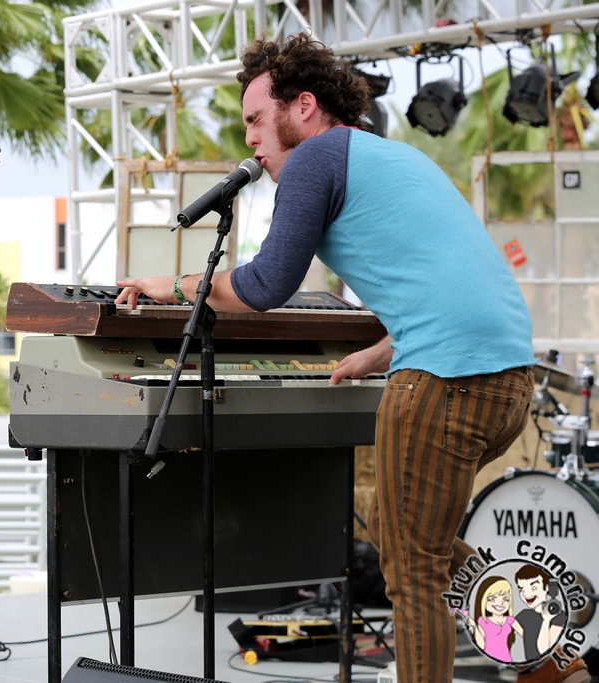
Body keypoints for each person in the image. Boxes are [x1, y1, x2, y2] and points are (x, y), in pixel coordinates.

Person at [115, 35, 590, 683]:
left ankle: (539, 661)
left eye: (256, 119)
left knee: (412, 569)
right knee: (411, 536)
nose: (249, 139)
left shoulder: (314, 160)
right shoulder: (390, 155)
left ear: (303, 107)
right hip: (507, 379)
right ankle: (552, 660)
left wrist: (171, 286)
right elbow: (451, 286)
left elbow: (266, 284)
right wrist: (377, 353)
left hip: (445, 379)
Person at [514, 565, 567, 662]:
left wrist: (546, 620)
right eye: (521, 589)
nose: (526, 594)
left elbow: (544, 650)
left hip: (549, 666)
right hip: (529, 667)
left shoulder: (559, 616)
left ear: (546, 587)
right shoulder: (524, 615)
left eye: (533, 588)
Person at [465, 576, 521, 662]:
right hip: (489, 658)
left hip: (507, 658)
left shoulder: (510, 620)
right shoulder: (482, 621)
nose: (500, 603)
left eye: (506, 599)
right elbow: (481, 645)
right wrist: (474, 627)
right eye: (492, 599)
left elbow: (526, 635)